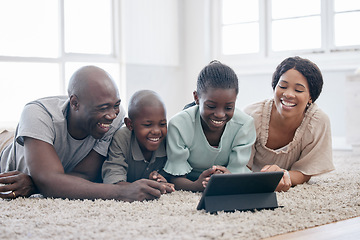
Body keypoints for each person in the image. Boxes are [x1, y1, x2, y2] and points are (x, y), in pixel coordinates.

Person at [0, 66, 172, 201]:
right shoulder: (37, 113)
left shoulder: (115, 117)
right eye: (103, 108)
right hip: (6, 145)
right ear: (74, 103)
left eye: (116, 105)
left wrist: (37, 184)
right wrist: (121, 191)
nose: (112, 115)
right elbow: (49, 180)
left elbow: (84, 175)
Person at [244, 56, 335, 192]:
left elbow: (305, 171)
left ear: (311, 97)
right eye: (282, 86)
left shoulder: (318, 122)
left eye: (298, 90)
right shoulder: (252, 116)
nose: (288, 94)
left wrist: (284, 176)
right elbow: (241, 167)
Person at [163, 60, 256, 192]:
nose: (219, 114)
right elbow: (175, 178)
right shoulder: (179, 125)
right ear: (196, 98)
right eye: (211, 106)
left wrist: (227, 178)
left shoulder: (244, 125)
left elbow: (237, 174)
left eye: (229, 107)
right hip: (191, 181)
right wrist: (196, 186)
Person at [102, 90, 174, 191]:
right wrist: (142, 187)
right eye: (148, 125)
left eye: (162, 124)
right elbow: (113, 182)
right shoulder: (121, 139)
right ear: (130, 124)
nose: (157, 131)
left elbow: (171, 175)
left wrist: (160, 180)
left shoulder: (167, 139)